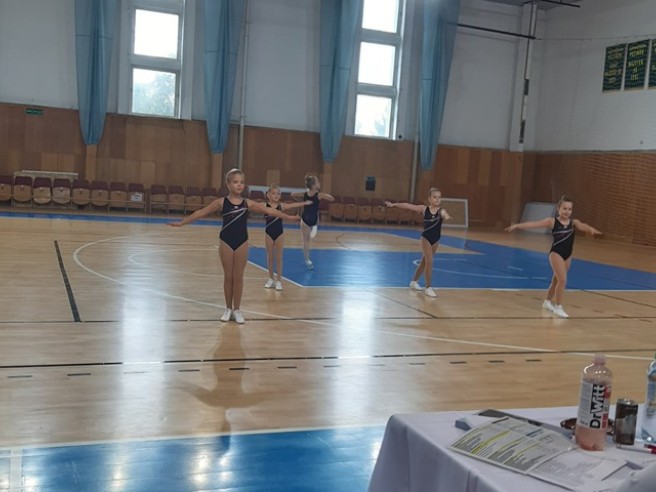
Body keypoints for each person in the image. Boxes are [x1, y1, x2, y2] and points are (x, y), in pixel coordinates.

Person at [168, 169, 299, 324]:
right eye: (236, 182)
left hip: (242, 242)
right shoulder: (221, 202)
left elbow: (270, 210)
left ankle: (237, 310)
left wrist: (289, 217)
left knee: (238, 277)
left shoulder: (247, 203)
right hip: (226, 241)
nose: (239, 185)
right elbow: (200, 213)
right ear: (228, 184)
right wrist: (182, 223)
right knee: (228, 277)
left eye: (241, 182)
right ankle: (228, 308)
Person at [505, 196, 602, 318]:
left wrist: (591, 229)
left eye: (569, 209)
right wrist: (517, 226)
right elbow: (534, 224)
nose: (567, 211)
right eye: (564, 208)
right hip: (556, 254)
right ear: (558, 209)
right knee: (563, 280)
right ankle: (558, 307)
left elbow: (583, 226)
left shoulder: (574, 223)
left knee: (556, 280)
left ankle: (547, 302)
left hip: (568, 255)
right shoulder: (552, 221)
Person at [385, 187, 452, 298]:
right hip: (425, 239)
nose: (437, 199)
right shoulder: (423, 209)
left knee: (424, 262)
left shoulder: (441, 211)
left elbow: (444, 213)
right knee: (429, 261)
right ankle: (428, 287)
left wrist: (446, 215)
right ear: (429, 199)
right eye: (434, 197)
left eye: (439, 197)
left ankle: (413, 282)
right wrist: (394, 204)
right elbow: (408, 205)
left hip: (436, 240)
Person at [263, 184, 311, 291]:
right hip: (268, 234)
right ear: (268, 195)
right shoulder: (264, 206)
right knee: (270, 257)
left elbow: (293, 205)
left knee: (279, 258)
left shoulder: (281, 206)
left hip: (279, 234)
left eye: (278, 194)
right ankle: (271, 279)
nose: (276, 195)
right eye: (273, 193)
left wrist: (304, 203)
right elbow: (253, 205)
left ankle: (279, 281)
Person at [292, 175, 334, 269]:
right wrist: (302, 201)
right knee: (306, 240)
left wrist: (301, 200)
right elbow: (332, 198)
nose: (319, 183)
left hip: (312, 219)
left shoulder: (312, 194)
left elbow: (293, 194)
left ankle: (314, 226)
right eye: (318, 182)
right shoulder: (317, 195)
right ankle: (307, 260)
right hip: (306, 220)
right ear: (314, 185)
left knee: (307, 239)